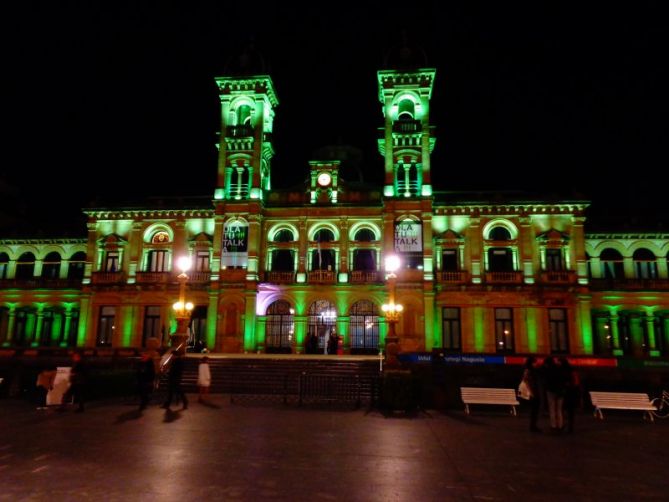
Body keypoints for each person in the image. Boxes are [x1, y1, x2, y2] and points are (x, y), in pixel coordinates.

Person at [543, 356, 567, 433]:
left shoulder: (547, 370)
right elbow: (563, 379)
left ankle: (553, 425)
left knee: (552, 408)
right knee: (559, 409)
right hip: (560, 391)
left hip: (550, 391)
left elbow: (546, 380)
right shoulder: (560, 369)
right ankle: (560, 425)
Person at [521, 356, 542, 432]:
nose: (536, 363)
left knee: (535, 410)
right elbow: (526, 380)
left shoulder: (532, 370)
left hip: (534, 390)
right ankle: (533, 426)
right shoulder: (529, 370)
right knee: (534, 410)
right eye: (535, 362)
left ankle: (533, 425)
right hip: (533, 392)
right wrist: (531, 392)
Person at [560, 356, 580, 433]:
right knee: (570, 411)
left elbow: (575, 381)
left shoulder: (563, 371)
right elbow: (576, 382)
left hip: (567, 392)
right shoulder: (572, 370)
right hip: (571, 392)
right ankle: (570, 426)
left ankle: (565, 425)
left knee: (565, 410)